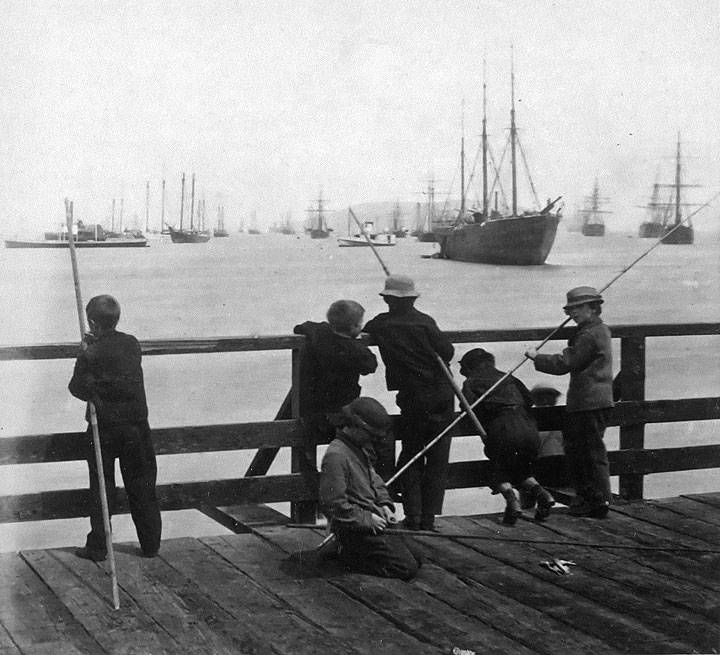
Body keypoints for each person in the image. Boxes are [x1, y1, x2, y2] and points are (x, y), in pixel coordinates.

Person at [68, 295, 161, 560]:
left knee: (102, 487)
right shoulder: (132, 344)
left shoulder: (91, 352)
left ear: (93, 323)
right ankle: (151, 544)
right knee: (142, 485)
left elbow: (77, 388)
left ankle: (98, 547)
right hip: (136, 428)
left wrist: (83, 355)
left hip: (104, 429)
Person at [363, 274, 454, 531]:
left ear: (387, 299)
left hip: (413, 397)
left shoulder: (381, 324)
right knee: (437, 457)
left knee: (412, 453)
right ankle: (429, 519)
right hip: (442, 393)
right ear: (413, 299)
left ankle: (413, 516)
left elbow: (363, 331)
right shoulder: (425, 321)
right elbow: (447, 352)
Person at [525, 286, 614, 518]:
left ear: (593, 308)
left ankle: (596, 501)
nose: (572, 314)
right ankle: (597, 499)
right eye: (570, 310)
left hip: (588, 402)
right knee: (586, 450)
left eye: (578, 308)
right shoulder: (600, 329)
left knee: (586, 453)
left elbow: (566, 363)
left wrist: (537, 358)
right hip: (597, 400)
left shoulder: (589, 334)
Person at [319, 397, 422, 580]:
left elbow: (376, 481)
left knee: (418, 556)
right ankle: (346, 554)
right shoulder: (336, 456)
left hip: (374, 521)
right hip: (355, 529)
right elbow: (333, 504)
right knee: (406, 568)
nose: (374, 440)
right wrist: (366, 519)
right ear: (355, 427)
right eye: (371, 435)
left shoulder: (359, 448)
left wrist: (385, 505)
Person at [459, 348, 555, 524]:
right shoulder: (508, 377)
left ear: (469, 367)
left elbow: (467, 408)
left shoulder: (471, 381)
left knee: (498, 471)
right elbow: (530, 400)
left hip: (502, 427)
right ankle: (542, 494)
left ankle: (512, 501)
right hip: (527, 426)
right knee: (523, 469)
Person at [293, 300, 379, 473]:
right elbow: (371, 365)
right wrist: (358, 343)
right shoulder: (354, 350)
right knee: (375, 437)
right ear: (354, 326)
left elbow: (302, 327)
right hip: (341, 413)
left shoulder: (320, 333)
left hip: (314, 410)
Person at [519, 385, 567, 509]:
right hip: (565, 471)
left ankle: (527, 508)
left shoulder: (531, 419)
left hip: (542, 472)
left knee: (524, 472)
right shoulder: (563, 417)